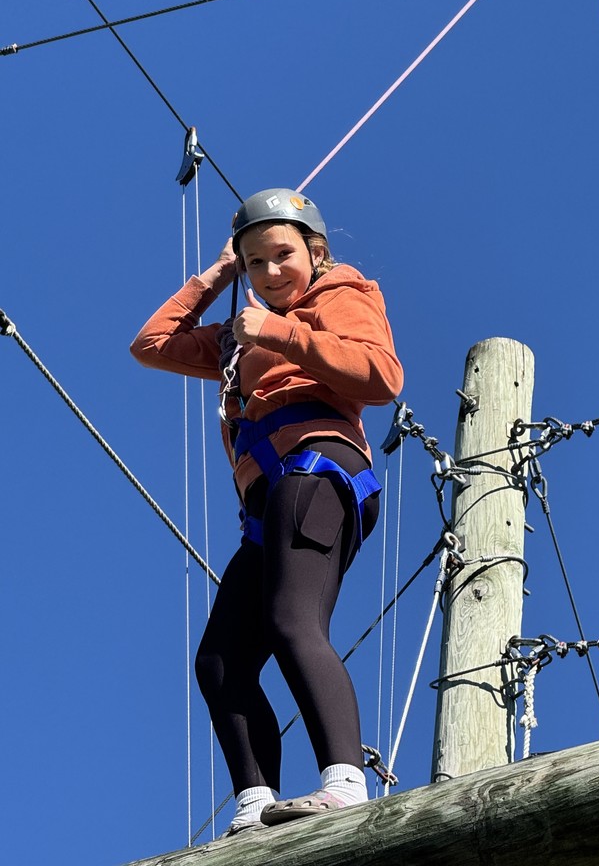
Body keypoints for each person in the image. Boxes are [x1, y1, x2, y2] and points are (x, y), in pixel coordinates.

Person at [131, 188, 403, 833]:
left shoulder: (339, 296)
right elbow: (153, 344)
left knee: (290, 620)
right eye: (255, 263)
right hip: (268, 502)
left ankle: (343, 781)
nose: (271, 272)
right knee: (220, 659)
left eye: (283, 255)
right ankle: (255, 798)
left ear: (315, 252)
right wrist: (216, 275)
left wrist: (280, 330)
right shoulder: (235, 334)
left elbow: (381, 376)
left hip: (319, 466)